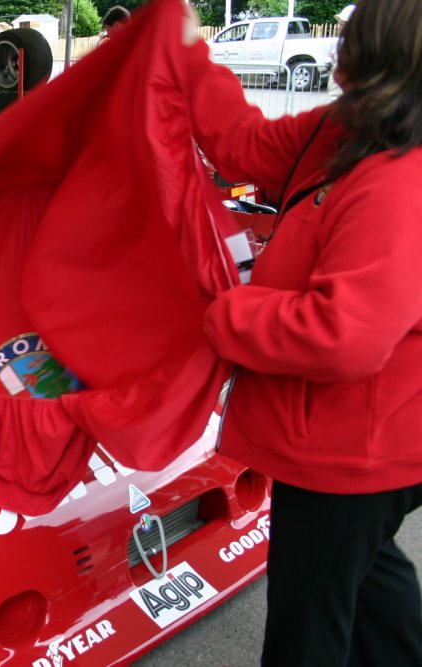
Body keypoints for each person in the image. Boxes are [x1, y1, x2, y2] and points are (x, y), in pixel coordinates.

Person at [181, 0, 422, 664]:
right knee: (370, 578)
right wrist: (190, 53)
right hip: (360, 439)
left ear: (380, 59)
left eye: (351, 42)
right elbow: (247, 145)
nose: (336, 56)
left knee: (307, 622)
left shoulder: (399, 178)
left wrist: (227, 313)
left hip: (353, 448)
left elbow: (345, 334)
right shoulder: (349, 129)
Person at [328, 4, 356, 100]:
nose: (338, 27)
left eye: (341, 24)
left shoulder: (355, 45)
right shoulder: (345, 43)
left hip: (344, 99)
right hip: (338, 98)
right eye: (339, 23)